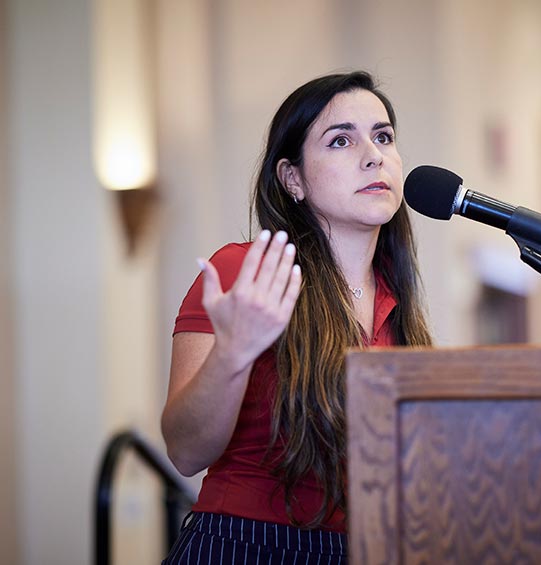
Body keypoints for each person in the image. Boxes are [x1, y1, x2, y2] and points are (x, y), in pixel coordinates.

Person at [161, 71, 432, 564]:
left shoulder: (400, 305)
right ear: (293, 179)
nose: (373, 154)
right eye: (341, 140)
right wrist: (233, 353)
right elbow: (184, 451)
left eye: (383, 136)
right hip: (244, 545)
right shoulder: (246, 272)